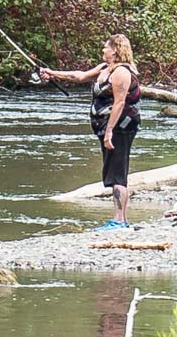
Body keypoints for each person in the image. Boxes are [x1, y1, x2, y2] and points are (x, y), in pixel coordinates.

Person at [36, 34, 142, 229]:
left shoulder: (121, 73)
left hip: (120, 128)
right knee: (112, 170)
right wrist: (52, 73)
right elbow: (79, 76)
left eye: (106, 48)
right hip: (106, 128)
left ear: (115, 50)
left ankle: (119, 221)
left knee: (118, 172)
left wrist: (109, 131)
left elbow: (119, 103)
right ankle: (120, 220)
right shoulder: (104, 69)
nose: (103, 50)